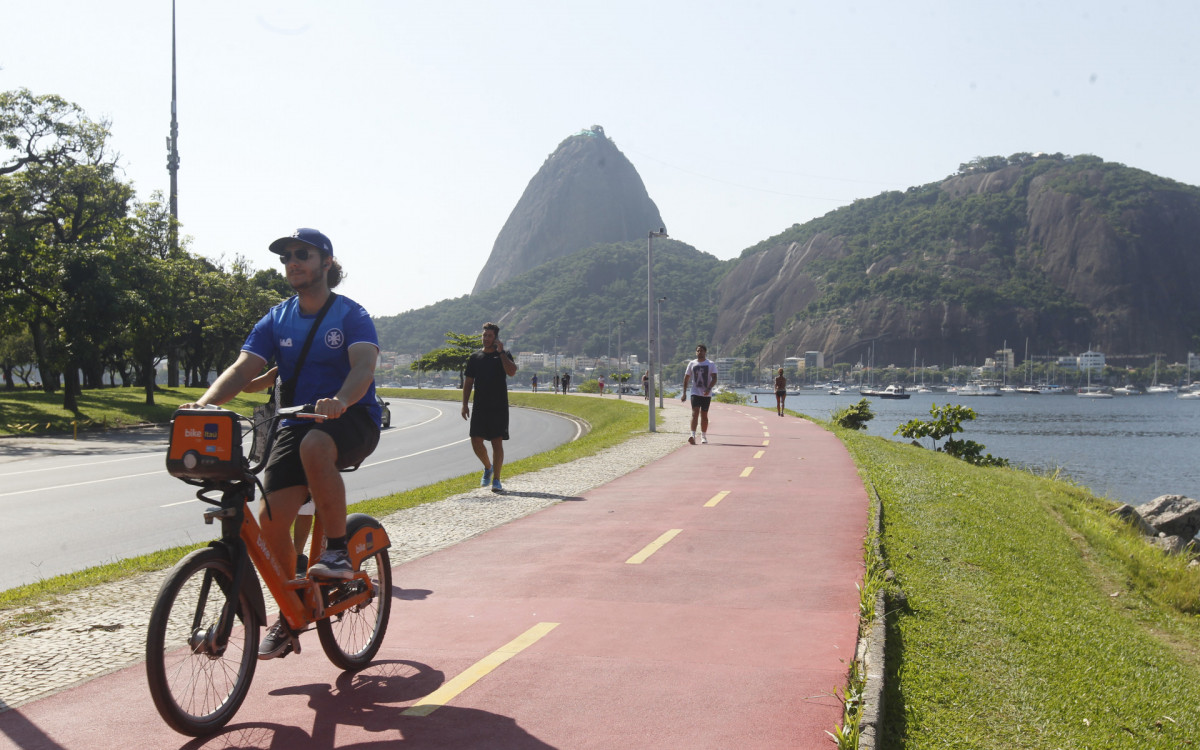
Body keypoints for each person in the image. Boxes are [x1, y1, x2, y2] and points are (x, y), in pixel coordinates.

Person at [180, 227, 382, 659]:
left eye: (302, 254)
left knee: (314, 445)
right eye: (286, 256)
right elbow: (241, 369)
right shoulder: (277, 318)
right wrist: (202, 405)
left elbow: (364, 366)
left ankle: (336, 551)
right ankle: (292, 613)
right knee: (270, 527)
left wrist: (342, 400)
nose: (293, 261)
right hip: (294, 424)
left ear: (326, 261)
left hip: (352, 418)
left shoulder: (351, 314)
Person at [462, 322, 519, 493]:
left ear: (496, 338)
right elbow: (469, 382)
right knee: (475, 440)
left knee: (497, 442)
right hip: (480, 405)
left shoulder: (504, 355)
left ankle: (497, 480)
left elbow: (512, 371)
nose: (486, 338)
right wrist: (464, 404)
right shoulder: (475, 357)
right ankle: (488, 467)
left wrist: (501, 353)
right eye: (484, 335)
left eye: (489, 336)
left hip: (499, 406)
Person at [681, 344, 718, 444]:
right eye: (698, 350)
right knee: (695, 413)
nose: (699, 352)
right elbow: (686, 378)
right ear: (695, 352)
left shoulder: (711, 364)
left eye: (701, 351)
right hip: (695, 393)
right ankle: (692, 436)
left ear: (705, 352)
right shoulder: (692, 363)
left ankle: (703, 436)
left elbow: (714, 378)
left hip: (706, 394)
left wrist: (709, 388)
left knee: (704, 415)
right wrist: (684, 393)